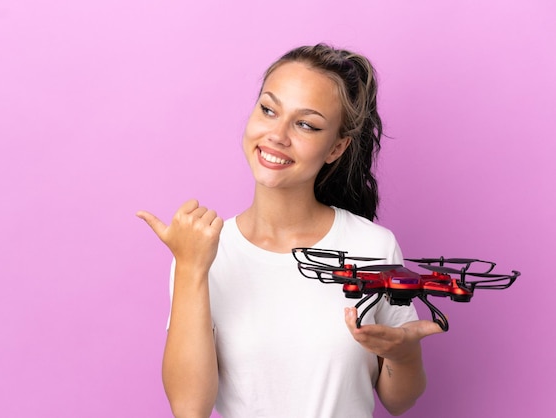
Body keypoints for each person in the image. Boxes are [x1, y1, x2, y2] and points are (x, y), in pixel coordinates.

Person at [137, 44, 443, 418]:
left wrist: (403, 352)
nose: (277, 135)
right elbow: (189, 408)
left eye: (306, 124)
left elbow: (400, 400)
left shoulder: (373, 246)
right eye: (268, 110)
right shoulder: (203, 253)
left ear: (337, 147)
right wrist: (190, 267)